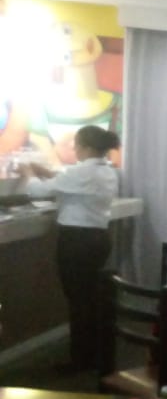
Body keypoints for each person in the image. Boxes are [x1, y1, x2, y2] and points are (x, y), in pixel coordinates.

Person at [18, 125, 119, 372]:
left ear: (86, 147)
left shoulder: (82, 172)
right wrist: (47, 172)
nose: (75, 150)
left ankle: (80, 359)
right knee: (89, 297)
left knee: (78, 299)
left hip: (77, 242)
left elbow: (37, 191)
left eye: (77, 145)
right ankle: (93, 352)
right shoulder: (106, 171)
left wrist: (28, 173)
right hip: (98, 239)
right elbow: (69, 182)